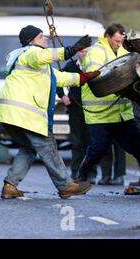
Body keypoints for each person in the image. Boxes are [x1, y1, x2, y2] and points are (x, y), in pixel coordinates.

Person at [0, 25, 99, 199]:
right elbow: (44, 55)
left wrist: (84, 78)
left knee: (28, 148)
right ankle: (65, 185)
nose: (45, 39)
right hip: (24, 113)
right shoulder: (29, 53)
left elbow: (59, 78)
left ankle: (10, 185)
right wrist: (72, 50)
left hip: (9, 113)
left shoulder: (36, 65)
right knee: (48, 145)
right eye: (41, 36)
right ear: (31, 41)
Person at [76, 23, 140, 197]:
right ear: (107, 36)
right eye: (116, 40)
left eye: (121, 41)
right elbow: (96, 78)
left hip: (122, 115)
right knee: (98, 150)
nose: (118, 44)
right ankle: (80, 179)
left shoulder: (124, 52)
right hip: (100, 115)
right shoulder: (96, 52)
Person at [57, 48, 97, 184]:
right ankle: (75, 172)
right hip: (75, 109)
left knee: (91, 142)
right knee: (77, 142)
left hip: (92, 109)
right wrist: (62, 96)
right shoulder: (71, 66)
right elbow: (57, 79)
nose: (83, 54)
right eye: (80, 52)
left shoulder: (94, 65)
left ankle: (90, 173)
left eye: (86, 52)